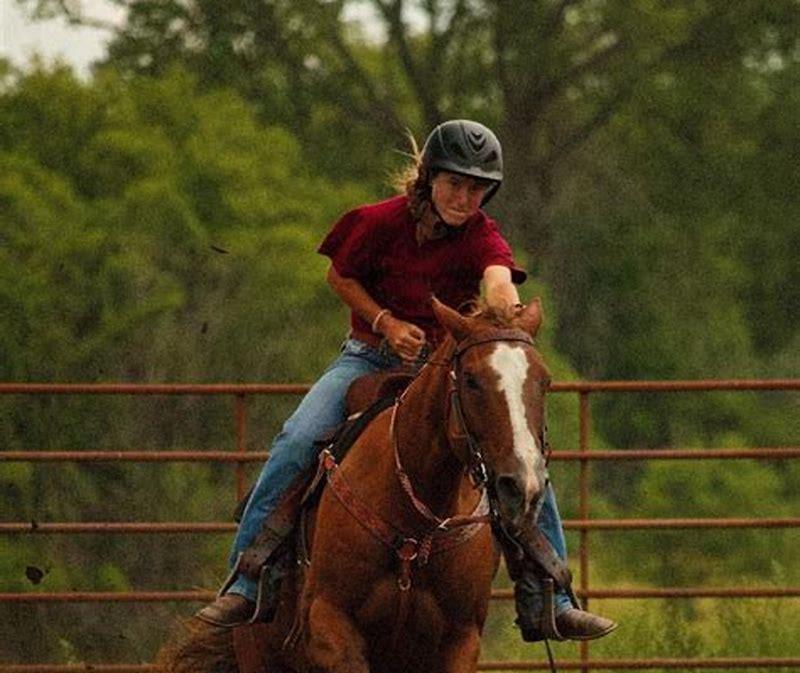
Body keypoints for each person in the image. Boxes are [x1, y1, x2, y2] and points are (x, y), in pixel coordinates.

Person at [196, 119, 617, 642]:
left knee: (520, 457)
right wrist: (385, 323)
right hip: (367, 358)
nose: (465, 198)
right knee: (297, 439)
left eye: (477, 188)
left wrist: (504, 310)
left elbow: (498, 276)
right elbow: (339, 275)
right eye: (455, 184)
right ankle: (248, 579)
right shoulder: (380, 223)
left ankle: (549, 597)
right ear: (430, 179)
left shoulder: (481, 235)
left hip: (444, 372)